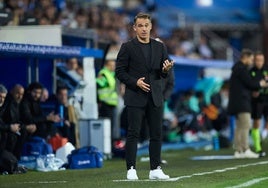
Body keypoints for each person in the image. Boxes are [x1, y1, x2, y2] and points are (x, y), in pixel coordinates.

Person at [116, 12, 174, 180]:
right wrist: (135, 82)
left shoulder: (159, 47)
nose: (143, 29)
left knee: (156, 134)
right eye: (140, 26)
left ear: (150, 27)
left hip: (155, 96)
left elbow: (163, 73)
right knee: (133, 133)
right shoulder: (127, 47)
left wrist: (165, 70)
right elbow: (119, 71)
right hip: (135, 96)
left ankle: (155, 168)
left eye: (146, 26)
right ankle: (131, 169)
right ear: (134, 28)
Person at [228, 49, 268, 159]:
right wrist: (260, 84)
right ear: (245, 58)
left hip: (237, 101)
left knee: (239, 127)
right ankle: (245, 149)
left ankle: (238, 151)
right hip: (242, 101)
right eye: (251, 59)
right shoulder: (241, 69)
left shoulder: (237, 68)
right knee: (246, 125)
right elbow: (250, 83)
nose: (252, 62)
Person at [1, 84, 36, 160]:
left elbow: (17, 120)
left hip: (9, 129)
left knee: (22, 132)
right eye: (18, 93)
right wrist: (11, 127)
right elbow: (9, 120)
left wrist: (25, 126)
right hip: (6, 131)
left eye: (22, 94)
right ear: (12, 92)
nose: (20, 96)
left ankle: (13, 160)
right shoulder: (8, 104)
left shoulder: (16, 104)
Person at [249, 52, 268, 157]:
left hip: (267, 98)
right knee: (256, 122)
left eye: (261, 60)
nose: (259, 62)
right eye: (257, 60)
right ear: (254, 60)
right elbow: (250, 85)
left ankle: (264, 134)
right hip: (257, 101)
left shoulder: (266, 70)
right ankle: (257, 147)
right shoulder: (251, 72)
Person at [96, 55, 119, 140]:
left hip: (111, 104)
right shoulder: (103, 74)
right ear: (106, 65)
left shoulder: (110, 74)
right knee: (107, 128)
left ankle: (112, 144)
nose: (114, 67)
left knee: (112, 127)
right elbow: (99, 84)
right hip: (105, 104)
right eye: (112, 65)